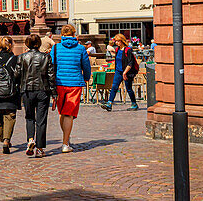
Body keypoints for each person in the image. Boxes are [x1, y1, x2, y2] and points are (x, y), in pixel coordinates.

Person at [51, 25, 92, 153]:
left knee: (62, 112)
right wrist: (86, 78)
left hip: (59, 83)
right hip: (74, 83)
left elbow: (51, 65)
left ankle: (66, 139)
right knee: (68, 114)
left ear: (62, 34)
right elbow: (86, 66)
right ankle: (65, 143)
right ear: (74, 34)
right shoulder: (80, 48)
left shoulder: (56, 48)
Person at [19, 33, 56, 157]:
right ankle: (39, 149)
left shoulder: (22, 57)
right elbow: (51, 76)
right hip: (42, 90)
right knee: (41, 120)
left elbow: (16, 75)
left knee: (29, 117)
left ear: (27, 44)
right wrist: (54, 93)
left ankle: (30, 139)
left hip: (27, 90)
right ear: (39, 44)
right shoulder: (46, 57)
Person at [102, 34, 139, 111]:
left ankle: (134, 104)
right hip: (118, 72)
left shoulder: (128, 50)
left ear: (122, 41)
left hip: (127, 72)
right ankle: (109, 103)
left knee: (128, 88)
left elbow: (130, 63)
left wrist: (125, 73)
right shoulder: (117, 50)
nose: (116, 43)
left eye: (118, 41)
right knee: (114, 87)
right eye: (116, 41)